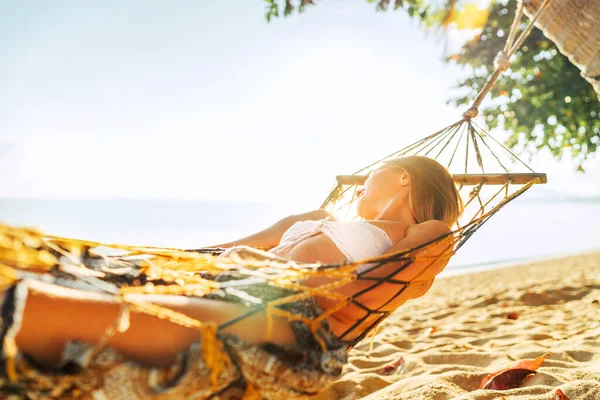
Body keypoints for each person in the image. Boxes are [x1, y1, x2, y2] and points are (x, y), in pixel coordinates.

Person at [0, 155, 462, 399]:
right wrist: (174, 261)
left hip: (284, 314)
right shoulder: (321, 214)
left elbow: (369, 289)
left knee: (38, 308)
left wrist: (279, 273)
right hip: (223, 278)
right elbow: (230, 246)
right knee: (55, 265)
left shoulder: (424, 232)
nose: (361, 184)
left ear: (403, 177)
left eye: (372, 175)